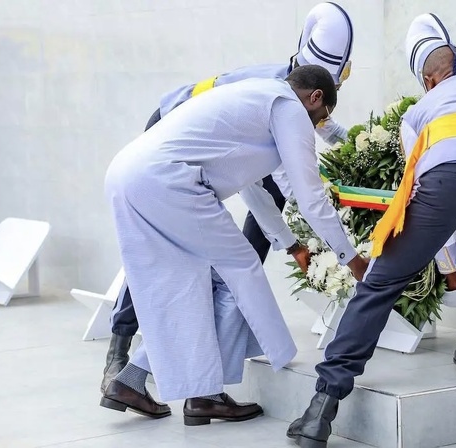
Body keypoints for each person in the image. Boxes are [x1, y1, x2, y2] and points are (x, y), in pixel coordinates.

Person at [286, 13, 456, 448]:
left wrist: (451, 265)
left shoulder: (419, 112)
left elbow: (424, 197)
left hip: (444, 180)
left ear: (430, 79)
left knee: (381, 284)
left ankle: (320, 409)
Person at [100, 1, 355, 393]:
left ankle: (138, 383)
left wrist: (290, 245)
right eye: (320, 118)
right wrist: (350, 258)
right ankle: (242, 373)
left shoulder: (262, 92)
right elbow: (308, 197)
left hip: (128, 171)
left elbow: (252, 190)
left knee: (187, 279)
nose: (316, 128)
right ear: (316, 96)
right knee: (240, 270)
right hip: (167, 177)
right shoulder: (287, 107)